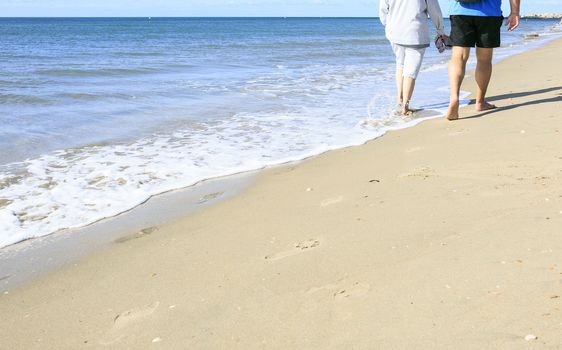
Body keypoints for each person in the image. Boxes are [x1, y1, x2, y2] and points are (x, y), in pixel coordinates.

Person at [446, 0, 521, 120]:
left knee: (458, 57)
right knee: (484, 60)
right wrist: (515, 12)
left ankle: (454, 97)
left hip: (460, 11)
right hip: (489, 13)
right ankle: (480, 102)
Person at [379, 0, 446, 115]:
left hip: (394, 31)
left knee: (400, 64)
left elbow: (383, 9)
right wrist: (440, 30)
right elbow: (434, 10)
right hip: (415, 32)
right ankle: (405, 106)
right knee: (411, 71)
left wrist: (389, 24)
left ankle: (400, 101)